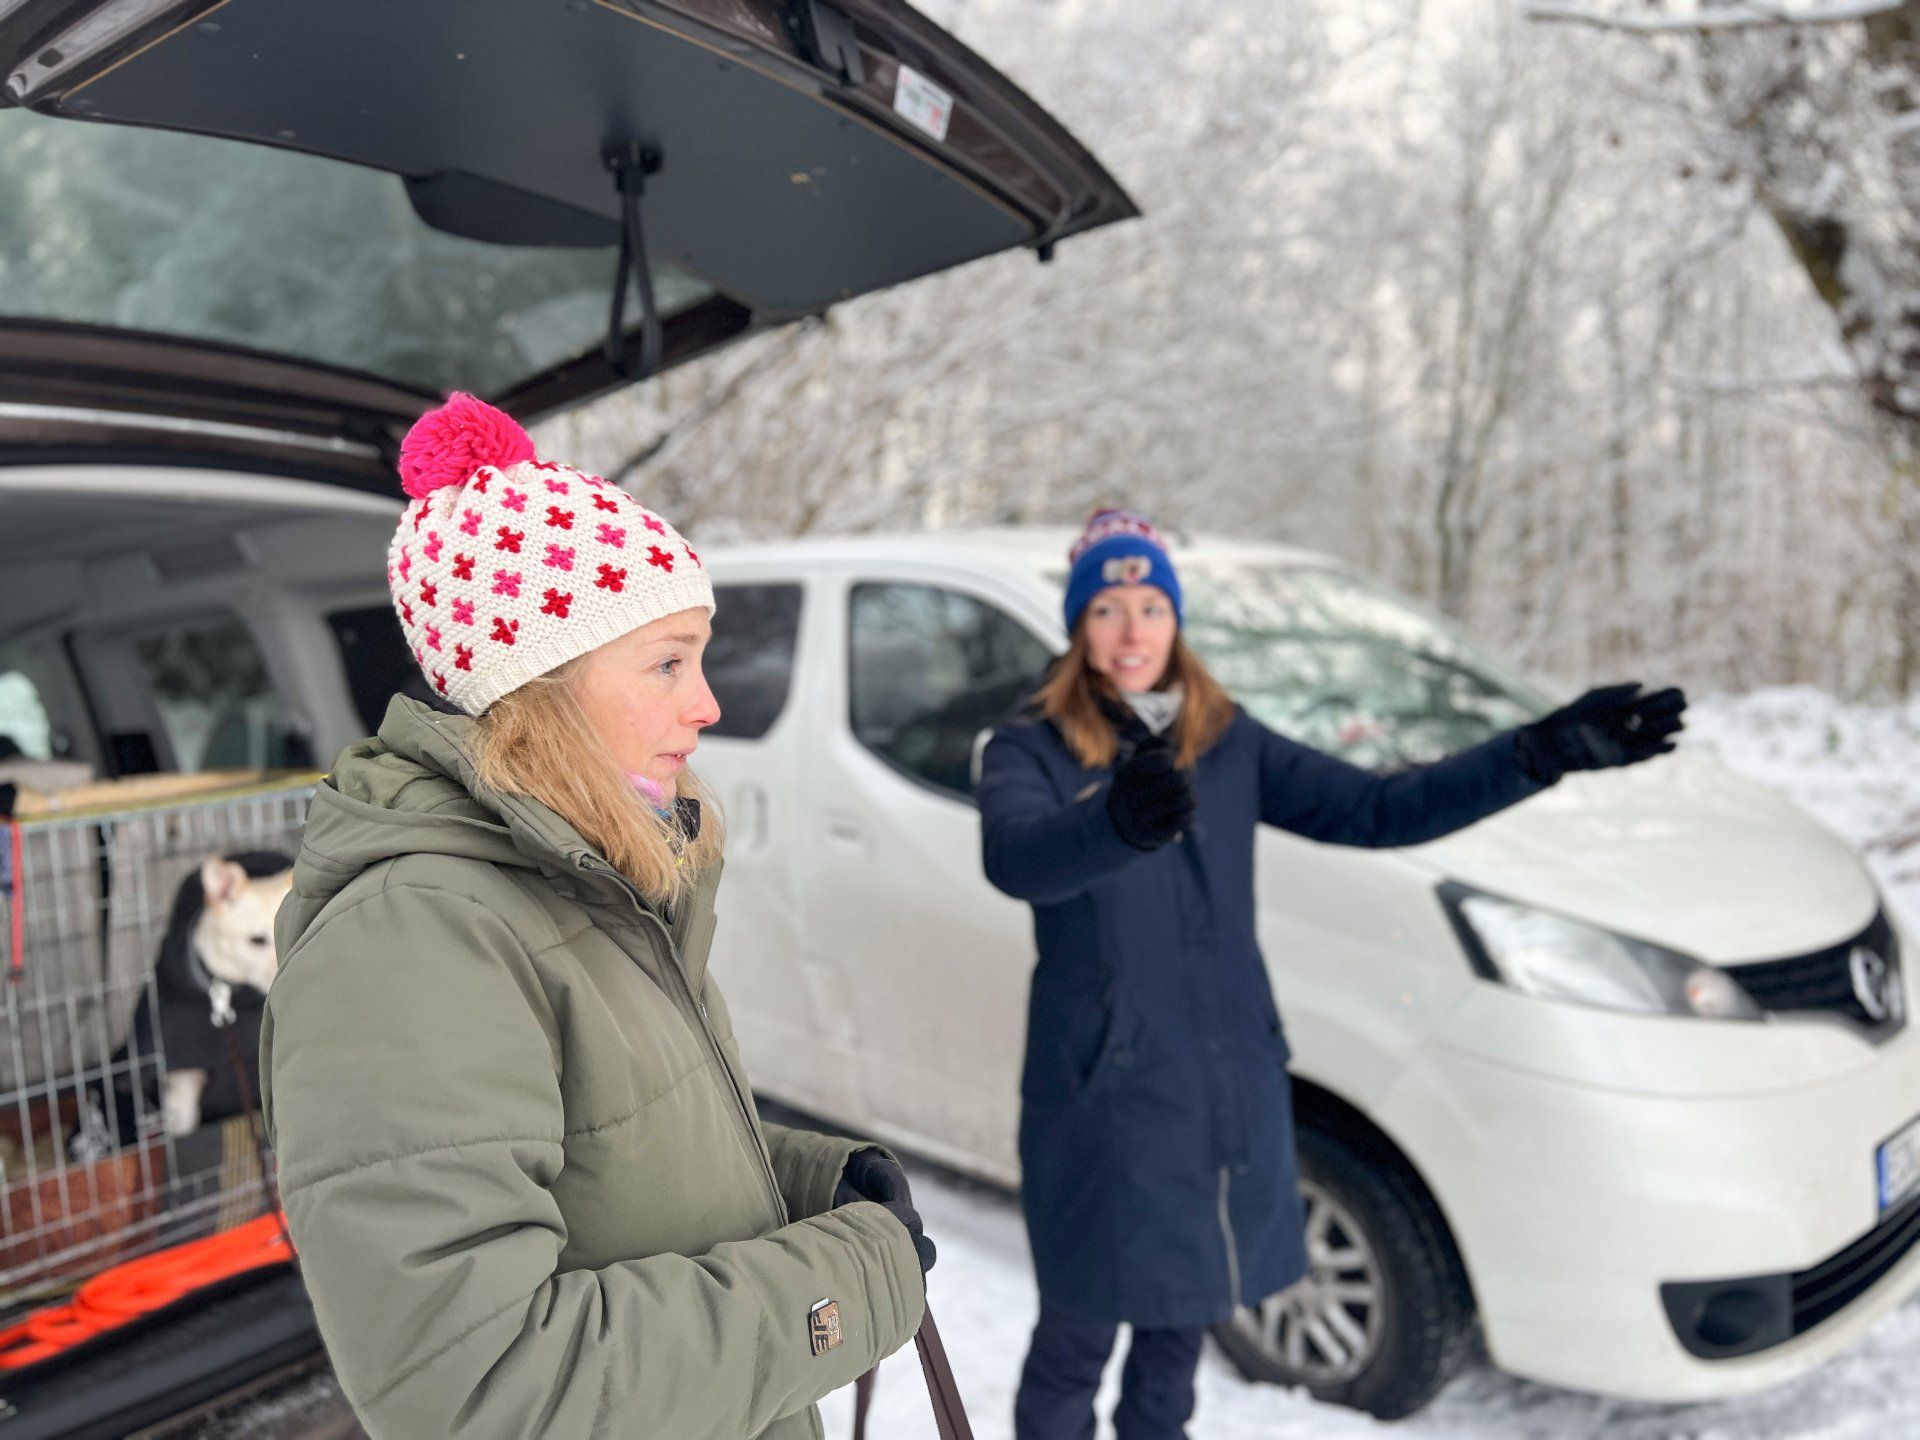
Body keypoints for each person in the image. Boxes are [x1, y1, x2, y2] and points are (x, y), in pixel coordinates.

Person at [261, 394, 934, 1439]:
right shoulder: (412, 940)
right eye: (667, 662)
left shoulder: (587, 878)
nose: (707, 704)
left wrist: (807, 1182)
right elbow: (484, 1388)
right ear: (539, 688)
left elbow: (616, 1158)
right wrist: (847, 1279)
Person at [977, 509, 1685, 1440]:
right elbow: (1017, 859)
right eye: (1107, 606)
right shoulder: (1030, 746)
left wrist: (1536, 753)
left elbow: (1380, 808)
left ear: (1176, 619)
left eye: (1152, 604)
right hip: (1106, 1105)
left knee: (1176, 1344)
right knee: (1075, 1345)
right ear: (1078, 624)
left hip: (1222, 1092)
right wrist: (1116, 820)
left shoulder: (1224, 737)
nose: (1133, 628)